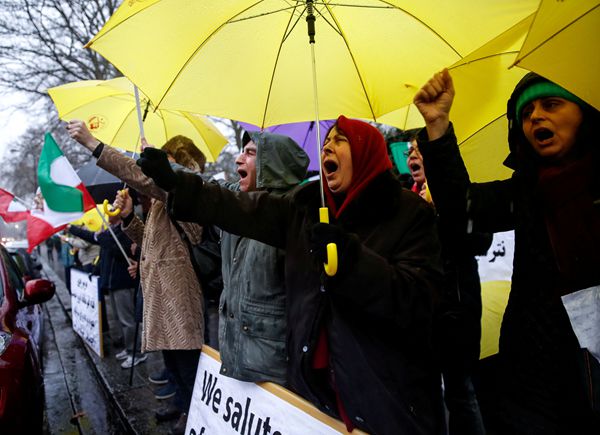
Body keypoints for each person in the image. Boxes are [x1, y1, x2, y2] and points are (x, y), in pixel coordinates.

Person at [138, 115, 445, 435]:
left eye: (340, 140)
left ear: (366, 152)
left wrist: (352, 260)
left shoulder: (409, 213)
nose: (327, 147)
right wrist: (175, 181)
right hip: (314, 389)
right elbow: (233, 205)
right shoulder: (305, 206)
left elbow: (420, 301)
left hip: (383, 397)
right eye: (327, 141)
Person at [414, 69, 600, 434]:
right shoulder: (526, 191)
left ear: (584, 113)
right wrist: (437, 126)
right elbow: (461, 209)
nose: (536, 117)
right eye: (526, 113)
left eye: (551, 104)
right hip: (529, 378)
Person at [67, 121, 205, 435]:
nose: (161, 167)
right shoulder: (160, 202)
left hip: (179, 293)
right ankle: (181, 403)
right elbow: (151, 243)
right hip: (161, 292)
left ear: (183, 166)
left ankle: (193, 414)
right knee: (172, 360)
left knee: (186, 362)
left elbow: (141, 177)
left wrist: (94, 144)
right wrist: (129, 215)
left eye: (168, 161)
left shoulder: (185, 190)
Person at [406, 140, 491, 435]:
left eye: (419, 150)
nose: (412, 156)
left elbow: (481, 241)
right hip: (422, 311)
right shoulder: (409, 199)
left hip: (457, 308)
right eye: (409, 151)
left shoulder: (456, 194)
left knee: (461, 391)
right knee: (426, 390)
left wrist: (441, 211)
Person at [213, 130, 309, 385]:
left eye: (250, 153)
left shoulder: (292, 216)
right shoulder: (234, 203)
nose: (238, 159)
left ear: (271, 165)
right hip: (234, 359)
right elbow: (194, 186)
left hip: (273, 370)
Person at [68, 215, 142, 368]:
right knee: (119, 319)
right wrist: (71, 228)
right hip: (112, 283)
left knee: (127, 320)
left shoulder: (126, 231)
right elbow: (102, 252)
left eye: (113, 210)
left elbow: (119, 251)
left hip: (123, 282)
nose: (109, 214)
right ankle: (127, 348)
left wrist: (103, 237)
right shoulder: (109, 232)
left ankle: (137, 353)